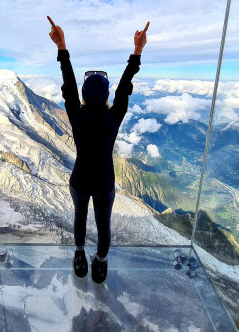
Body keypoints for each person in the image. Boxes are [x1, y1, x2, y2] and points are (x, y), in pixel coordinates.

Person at [47, 16, 149, 284]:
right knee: (104, 225)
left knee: (80, 217)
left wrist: (62, 46)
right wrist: (137, 52)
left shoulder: (76, 115)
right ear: (106, 96)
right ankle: (100, 264)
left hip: (79, 179)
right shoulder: (113, 117)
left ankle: (79, 255)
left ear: (83, 95)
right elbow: (125, 88)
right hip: (104, 181)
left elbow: (68, 84)